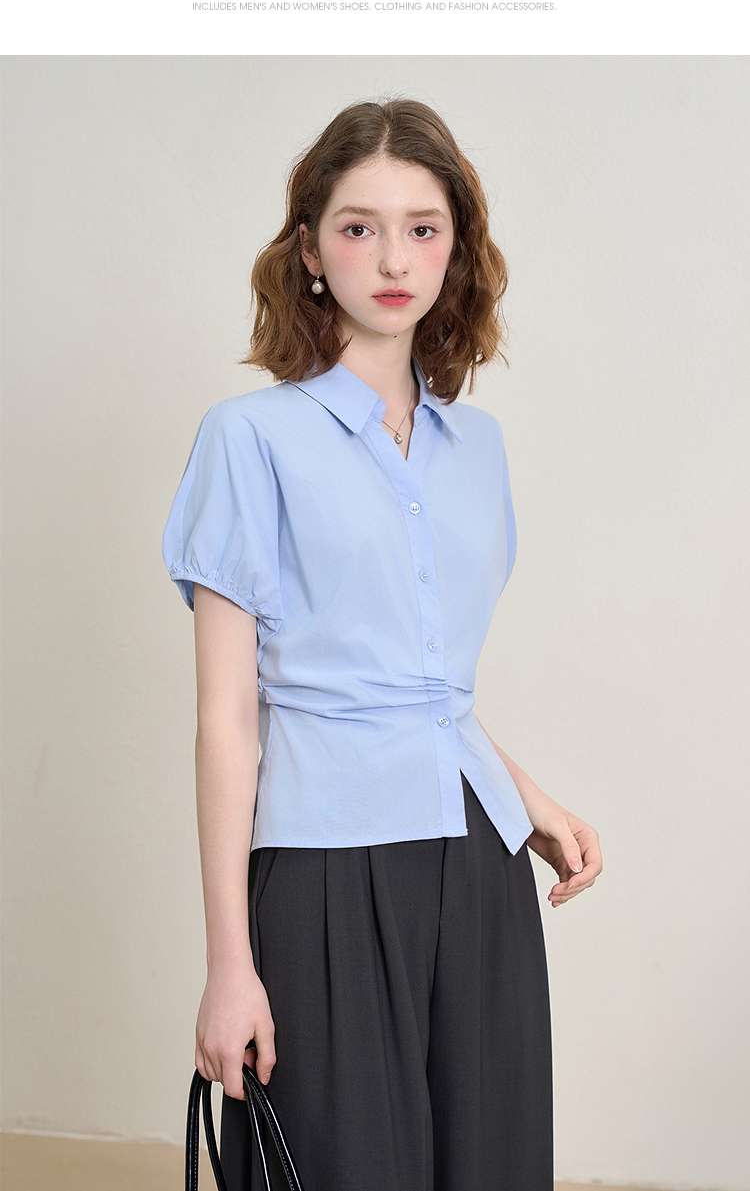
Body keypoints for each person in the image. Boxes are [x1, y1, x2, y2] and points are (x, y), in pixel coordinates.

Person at [162, 98, 602, 1191]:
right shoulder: (248, 440)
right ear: (310, 250)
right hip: (324, 861)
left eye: (422, 227)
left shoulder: (477, 448)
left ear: (456, 250)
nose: (394, 258)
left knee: (494, 1166)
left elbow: (427, 683)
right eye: (359, 227)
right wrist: (229, 966)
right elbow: (228, 718)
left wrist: (528, 797)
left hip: (480, 855)